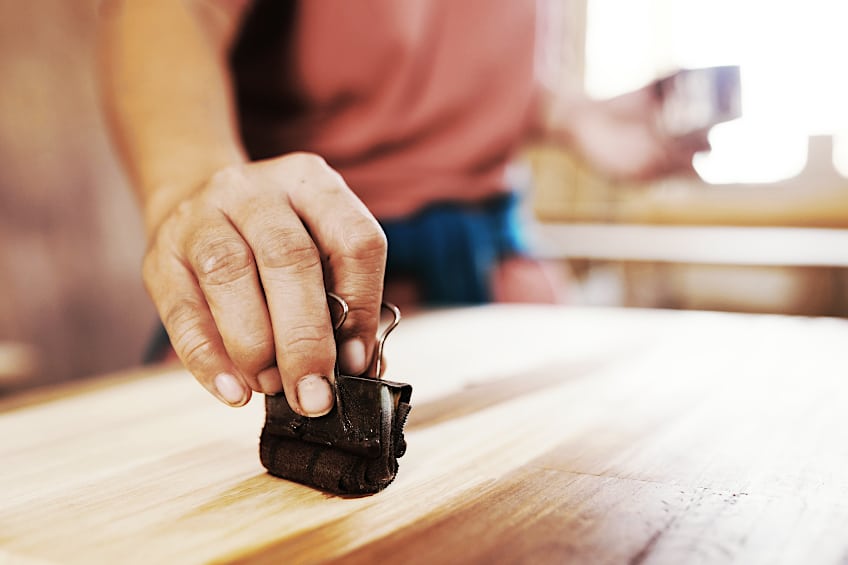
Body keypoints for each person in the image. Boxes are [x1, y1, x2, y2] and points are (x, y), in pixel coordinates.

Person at [97, 0, 706, 416]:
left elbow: (458, 64)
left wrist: (571, 114)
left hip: (503, 276)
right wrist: (191, 184)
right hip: (299, 288)